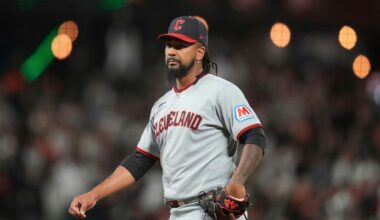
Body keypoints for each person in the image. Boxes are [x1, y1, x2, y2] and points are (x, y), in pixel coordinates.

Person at [68, 15, 266, 220]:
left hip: (216, 211)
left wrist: (237, 182)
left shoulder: (221, 91)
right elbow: (140, 160)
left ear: (200, 52)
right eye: (169, 45)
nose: (171, 51)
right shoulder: (161, 105)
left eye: (180, 46)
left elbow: (255, 137)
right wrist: (94, 194)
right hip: (178, 213)